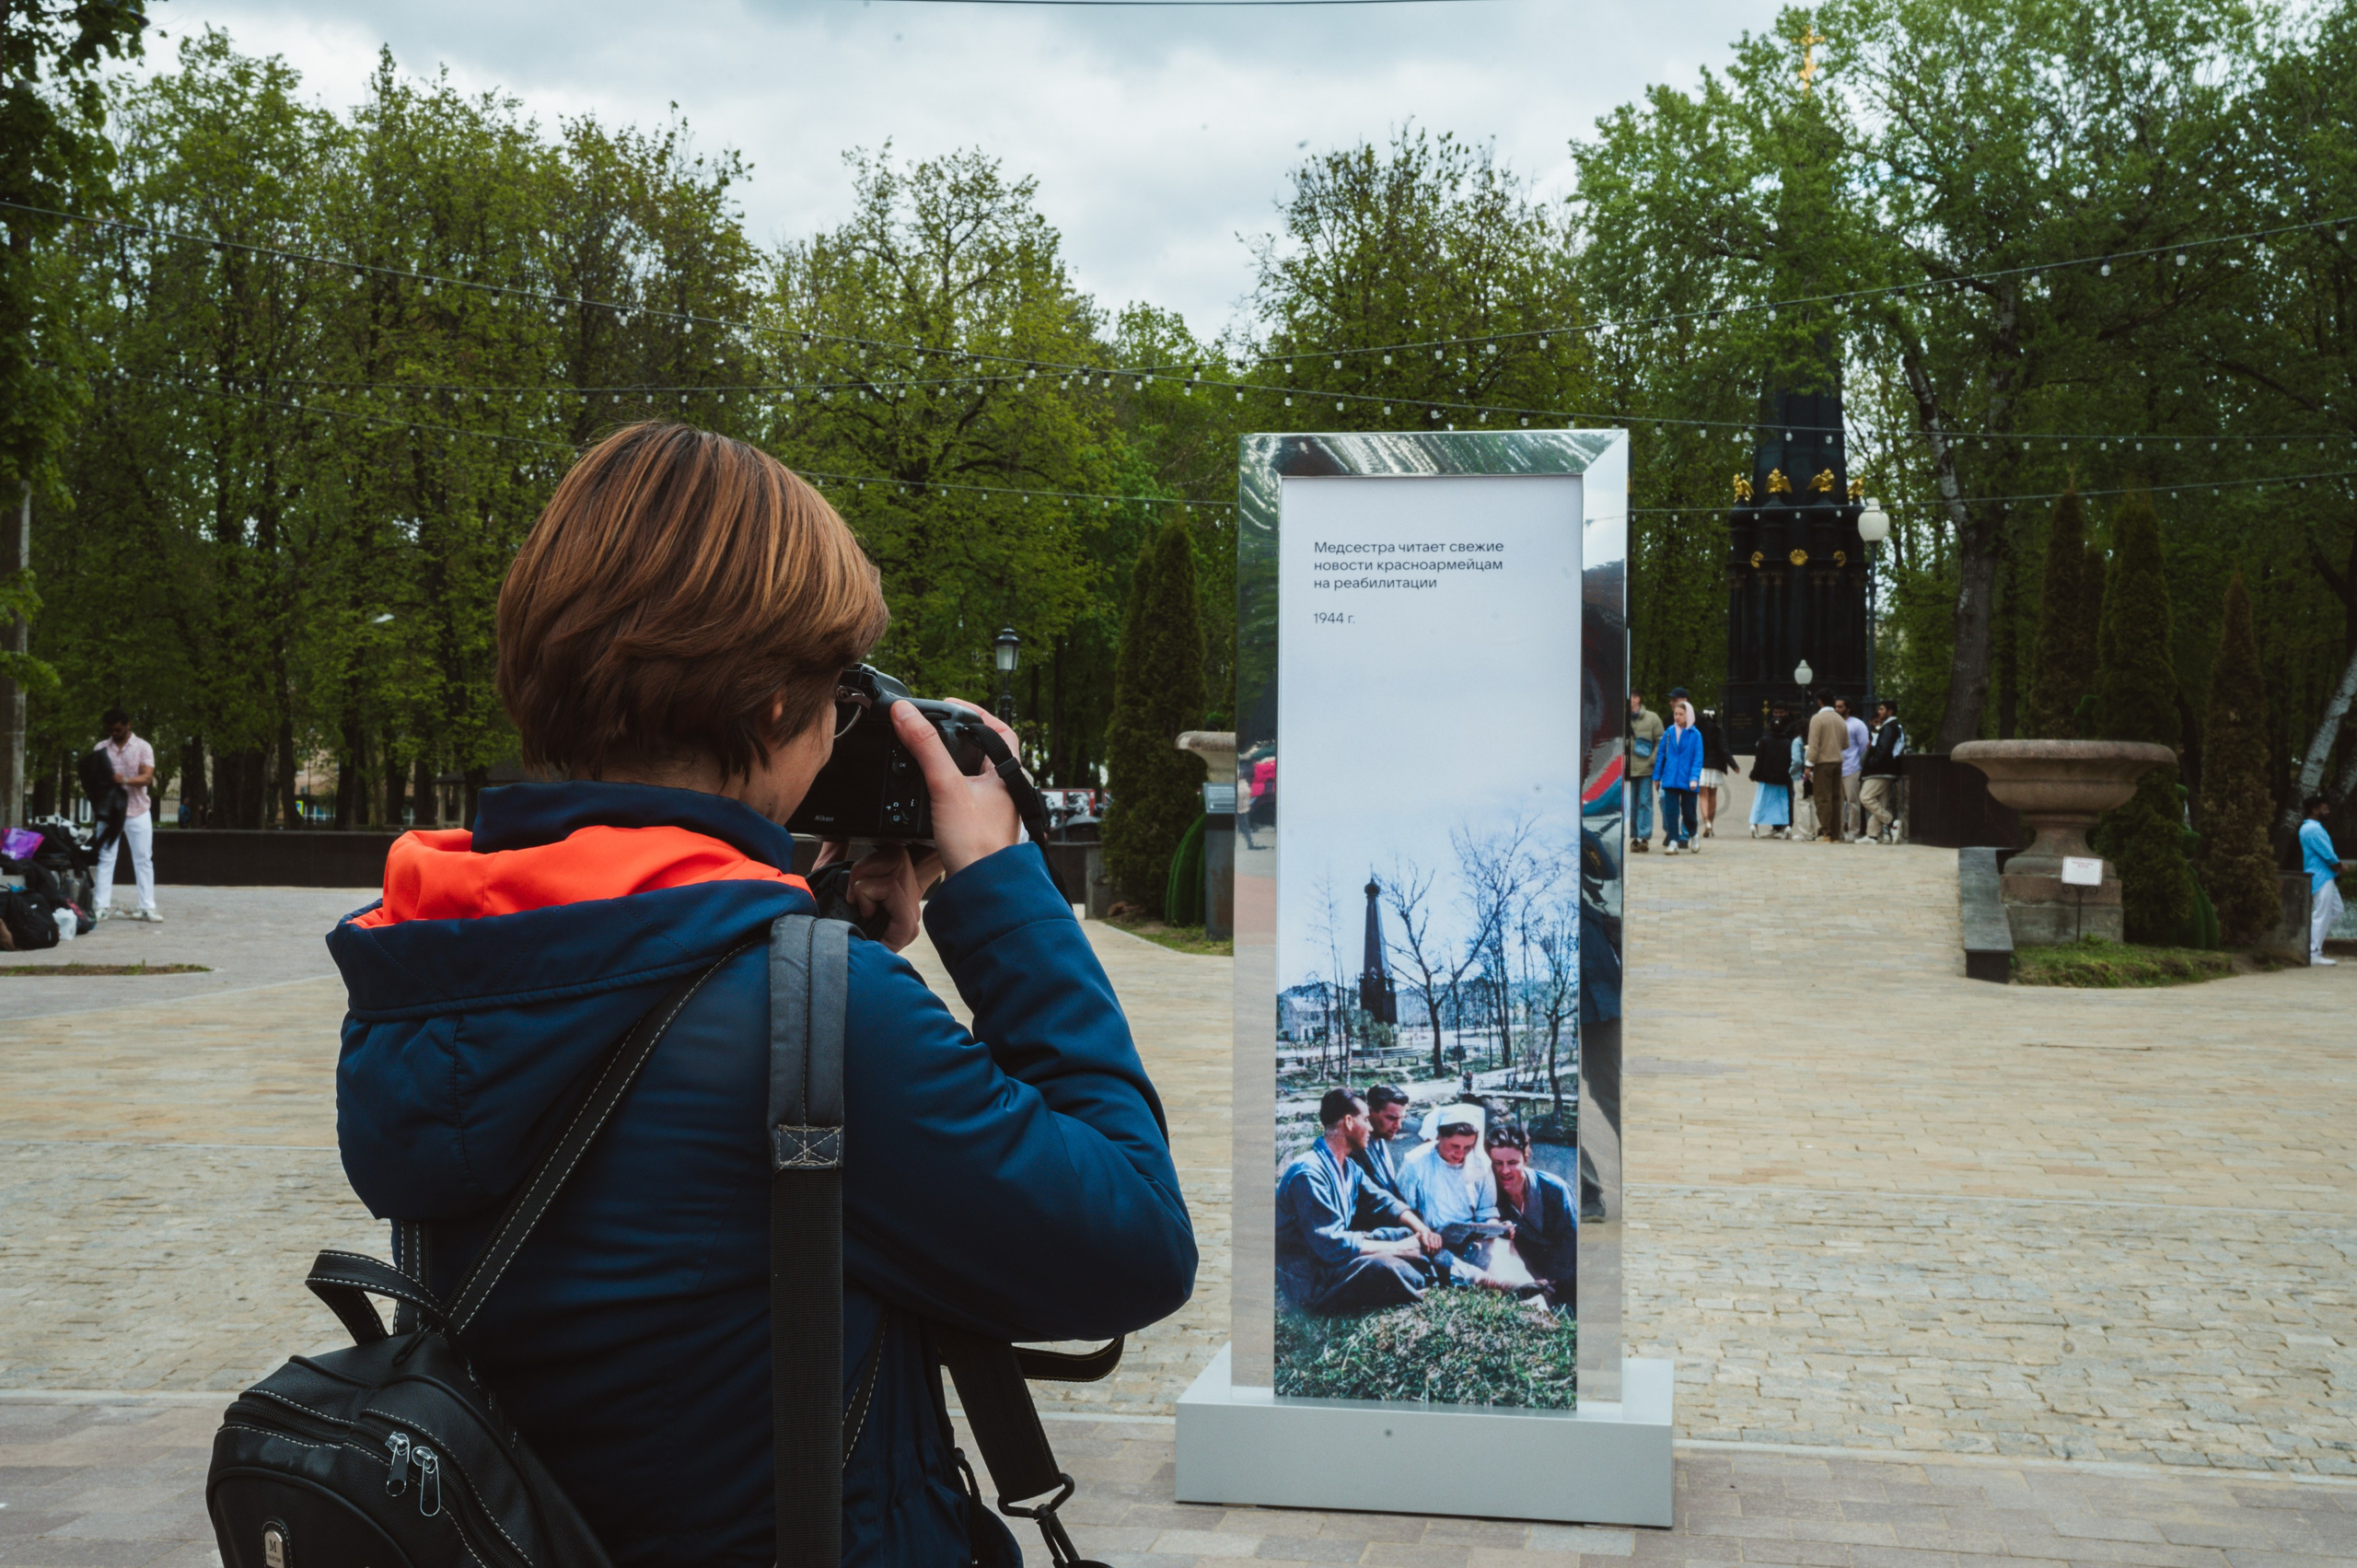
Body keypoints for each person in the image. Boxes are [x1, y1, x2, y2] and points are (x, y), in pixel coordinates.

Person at [327, 424, 1197, 1568]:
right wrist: (997, 891)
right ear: (771, 712)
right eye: (835, 690)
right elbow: (1132, 1242)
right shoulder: (823, 1019)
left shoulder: (432, 959)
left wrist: (821, 933)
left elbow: (660, 1164)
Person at [1276, 1088, 1442, 1314]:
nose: (1371, 1127)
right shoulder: (1308, 1173)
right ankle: (1428, 1281)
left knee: (1405, 1234)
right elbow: (1332, 1245)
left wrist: (1422, 1230)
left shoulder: (1349, 1166)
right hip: (1312, 1281)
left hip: (1333, 1265)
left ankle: (1441, 1274)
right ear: (1348, 1122)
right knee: (1383, 1265)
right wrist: (1398, 1249)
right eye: (1366, 1120)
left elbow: (1382, 1201)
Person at [1486, 1125, 1576, 1312]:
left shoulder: (1555, 1189)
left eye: (1512, 1162)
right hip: (1524, 1277)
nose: (1504, 1171)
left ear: (1525, 1159)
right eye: (1497, 1163)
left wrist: (1553, 1279)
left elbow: (1571, 1242)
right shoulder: (1489, 1194)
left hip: (1564, 1276)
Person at [95, 708, 159, 923]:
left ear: (128, 725)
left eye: (118, 729)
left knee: (143, 859)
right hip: (110, 813)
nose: (114, 733)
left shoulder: (143, 747)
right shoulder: (101, 748)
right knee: (105, 858)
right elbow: (94, 779)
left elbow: (147, 778)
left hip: (137, 811)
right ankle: (101, 906)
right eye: (111, 730)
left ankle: (147, 907)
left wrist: (125, 780)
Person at [1396, 1105, 1500, 1232]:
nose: (1460, 1153)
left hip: (1471, 1236)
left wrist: (1493, 1226)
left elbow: (1486, 1211)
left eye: (1467, 1147)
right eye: (1455, 1146)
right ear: (1439, 1137)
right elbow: (1403, 1209)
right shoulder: (1416, 1161)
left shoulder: (1480, 1164)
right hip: (1428, 1235)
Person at [2300, 796, 2351, 966]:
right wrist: (2339, 865)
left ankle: (2310, 942)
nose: (2327, 811)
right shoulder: (2313, 829)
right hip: (2320, 875)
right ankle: (2313, 952)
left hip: (2324, 875)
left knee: (2336, 910)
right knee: (2321, 914)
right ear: (2315, 810)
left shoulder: (2311, 828)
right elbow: (2327, 852)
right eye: (2324, 808)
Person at [1655, 698, 1704, 854]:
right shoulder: (1669, 732)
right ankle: (1673, 841)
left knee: (1689, 813)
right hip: (1670, 779)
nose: (1677, 717)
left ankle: (1694, 835)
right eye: (1676, 714)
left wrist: (1694, 778)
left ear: (1688, 715)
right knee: (1671, 812)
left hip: (1689, 780)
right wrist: (1657, 776)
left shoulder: (1695, 734)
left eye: (1681, 714)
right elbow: (1661, 754)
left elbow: (1698, 758)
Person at [1861, 700, 1907, 844]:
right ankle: (1872, 835)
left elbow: (1882, 749)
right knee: (1881, 802)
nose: (1879, 712)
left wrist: (1872, 762)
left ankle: (1892, 822)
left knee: (1866, 797)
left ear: (1890, 712)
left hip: (1880, 770)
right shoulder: (1896, 726)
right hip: (1889, 769)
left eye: (1881, 709)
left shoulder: (1888, 727)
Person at [1805, 692, 1846, 843]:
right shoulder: (1840, 719)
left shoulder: (1817, 719)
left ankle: (1825, 832)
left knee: (1823, 798)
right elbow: (1846, 743)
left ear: (1820, 702)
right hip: (1838, 762)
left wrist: (1809, 765)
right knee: (1836, 799)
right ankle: (1835, 835)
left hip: (1823, 763)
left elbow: (1813, 745)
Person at [1625, 691, 1663, 853]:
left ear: (1638, 699)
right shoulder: (1623, 719)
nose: (1629, 701)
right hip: (1628, 768)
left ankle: (1644, 836)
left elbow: (1661, 740)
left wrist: (1653, 760)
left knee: (1645, 803)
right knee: (1632, 804)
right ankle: (1636, 837)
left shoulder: (1652, 718)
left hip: (1646, 769)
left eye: (1632, 697)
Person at [1749, 707, 1792, 838]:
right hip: (1782, 778)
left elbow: (1759, 760)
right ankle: (1786, 825)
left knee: (1760, 801)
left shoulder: (1764, 741)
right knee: (1782, 802)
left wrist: (1754, 774)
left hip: (1765, 777)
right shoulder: (1787, 742)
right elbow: (1789, 760)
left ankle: (1754, 824)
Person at [1697, 706, 1737, 839]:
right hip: (1716, 765)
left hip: (1701, 765)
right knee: (1713, 795)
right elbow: (1724, 750)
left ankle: (1706, 822)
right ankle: (1711, 825)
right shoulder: (1719, 730)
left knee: (1703, 795)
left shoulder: (1698, 731)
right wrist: (1734, 765)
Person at [1837, 696, 1870, 842]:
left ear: (1848, 708)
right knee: (1837, 802)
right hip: (1836, 767)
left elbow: (1864, 747)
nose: (1837, 709)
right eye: (1836, 707)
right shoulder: (1834, 724)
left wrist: (1860, 766)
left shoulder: (1857, 724)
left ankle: (1853, 832)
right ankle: (1838, 831)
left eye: (1840, 707)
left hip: (1852, 767)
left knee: (1853, 802)